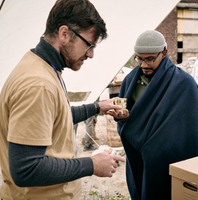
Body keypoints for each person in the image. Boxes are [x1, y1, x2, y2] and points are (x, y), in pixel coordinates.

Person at [0, 1, 125, 199]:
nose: (91, 54)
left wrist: (96, 107)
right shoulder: (38, 85)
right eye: (89, 45)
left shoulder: (43, 66)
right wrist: (91, 164)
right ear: (64, 34)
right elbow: (26, 169)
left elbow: (56, 116)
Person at [108, 30, 198, 200]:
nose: (144, 65)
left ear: (164, 53)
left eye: (150, 59)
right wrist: (121, 118)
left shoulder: (183, 83)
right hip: (138, 155)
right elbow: (130, 120)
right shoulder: (130, 81)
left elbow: (192, 129)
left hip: (171, 160)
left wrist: (158, 147)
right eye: (139, 58)